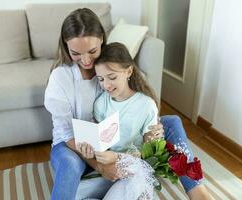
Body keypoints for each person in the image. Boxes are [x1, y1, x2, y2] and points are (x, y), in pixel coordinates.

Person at [44, 7, 210, 200]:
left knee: (171, 122)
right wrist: (100, 165)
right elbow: (65, 134)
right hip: (72, 145)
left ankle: (197, 190)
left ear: (102, 42)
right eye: (76, 53)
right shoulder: (61, 77)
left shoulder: (110, 66)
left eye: (92, 51)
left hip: (112, 145)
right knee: (69, 163)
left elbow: (135, 105)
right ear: (65, 47)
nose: (86, 60)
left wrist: (152, 132)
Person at [77, 42, 161, 200]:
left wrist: (117, 157)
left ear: (128, 71)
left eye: (112, 77)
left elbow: (150, 157)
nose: (106, 85)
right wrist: (89, 150)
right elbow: (100, 142)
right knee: (72, 195)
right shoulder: (101, 104)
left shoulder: (146, 105)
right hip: (108, 168)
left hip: (133, 169)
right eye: (101, 79)